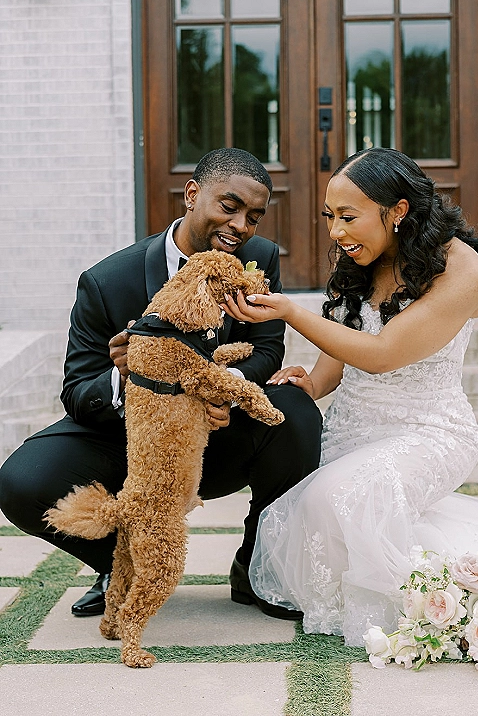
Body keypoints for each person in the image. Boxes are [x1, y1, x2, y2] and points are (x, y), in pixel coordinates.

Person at [222, 147, 478, 655]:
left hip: (428, 430)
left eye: (349, 217)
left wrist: (288, 312)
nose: (336, 232)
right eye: (330, 217)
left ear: (398, 210)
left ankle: (448, 605)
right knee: (303, 509)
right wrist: (310, 383)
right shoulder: (361, 258)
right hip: (354, 427)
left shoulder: (460, 266)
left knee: (333, 500)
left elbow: (383, 353)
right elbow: (340, 353)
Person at [0, 147, 322, 621]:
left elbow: (267, 350)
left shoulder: (260, 259)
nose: (241, 226)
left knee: (295, 411)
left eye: (254, 217)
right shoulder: (108, 281)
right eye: (228, 207)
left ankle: (257, 565)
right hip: (132, 442)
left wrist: (222, 388)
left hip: (216, 438)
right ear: (192, 195)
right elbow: (77, 391)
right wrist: (128, 376)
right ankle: (120, 566)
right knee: (20, 480)